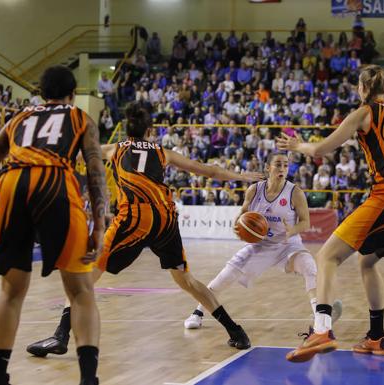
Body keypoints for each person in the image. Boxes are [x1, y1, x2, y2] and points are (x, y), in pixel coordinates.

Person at [26, 103, 263, 358]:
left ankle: (60, 335)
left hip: (135, 217)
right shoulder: (163, 152)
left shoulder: (115, 148)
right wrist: (242, 177)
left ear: (126, 130)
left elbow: (76, 155)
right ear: (150, 130)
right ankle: (236, 332)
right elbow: (209, 170)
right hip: (165, 218)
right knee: (187, 281)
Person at [277, 64, 384, 362]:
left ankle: (322, 329)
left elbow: (321, 150)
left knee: (327, 256)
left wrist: (296, 145)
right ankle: (377, 338)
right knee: (367, 263)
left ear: (364, 88)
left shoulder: (365, 112)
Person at [0, 66, 107, 385]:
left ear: (42, 94)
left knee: (11, 291)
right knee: (81, 291)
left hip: (12, 184)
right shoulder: (80, 118)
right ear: (73, 95)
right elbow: (96, 172)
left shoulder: (18, 118)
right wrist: (98, 225)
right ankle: (88, 380)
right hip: (55, 182)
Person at [183, 152, 342, 330]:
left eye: (285, 165)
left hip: (287, 244)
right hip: (260, 245)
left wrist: (293, 230)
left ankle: (320, 317)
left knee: (309, 266)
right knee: (225, 277)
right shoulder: (254, 190)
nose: (282, 168)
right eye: (278, 164)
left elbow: (306, 222)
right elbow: (243, 213)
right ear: (268, 168)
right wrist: (238, 225)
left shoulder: (295, 192)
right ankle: (198, 312)